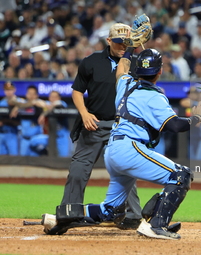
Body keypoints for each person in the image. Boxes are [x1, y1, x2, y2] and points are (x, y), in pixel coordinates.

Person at [47, 47, 201, 239]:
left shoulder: (126, 84)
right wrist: (196, 119)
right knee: (182, 175)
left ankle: (60, 217)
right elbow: (174, 125)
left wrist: (131, 47)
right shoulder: (154, 96)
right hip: (130, 149)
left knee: (111, 210)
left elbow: (121, 68)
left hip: (113, 150)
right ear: (160, 71)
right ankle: (156, 225)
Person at [42, 23, 142, 234]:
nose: (122, 46)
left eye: (126, 43)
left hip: (121, 126)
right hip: (94, 124)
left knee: (125, 170)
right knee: (78, 170)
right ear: (108, 41)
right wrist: (84, 114)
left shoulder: (136, 64)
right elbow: (77, 92)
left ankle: (132, 217)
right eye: (118, 42)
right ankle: (69, 213)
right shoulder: (92, 61)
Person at [0, 81, 24, 155]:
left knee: (14, 158)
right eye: (6, 90)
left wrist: (17, 106)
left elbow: (27, 105)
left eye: (10, 89)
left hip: (13, 134)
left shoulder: (20, 101)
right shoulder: (2, 103)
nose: (8, 92)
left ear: (14, 90)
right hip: (2, 133)